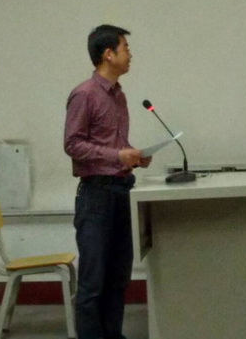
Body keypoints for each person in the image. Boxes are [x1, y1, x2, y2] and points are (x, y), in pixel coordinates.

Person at [64, 24, 152, 339]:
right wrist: (118, 155)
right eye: (125, 48)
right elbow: (72, 144)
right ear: (108, 54)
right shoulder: (84, 94)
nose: (130, 54)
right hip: (96, 195)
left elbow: (113, 145)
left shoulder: (119, 96)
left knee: (118, 277)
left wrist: (133, 157)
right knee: (93, 281)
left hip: (121, 190)